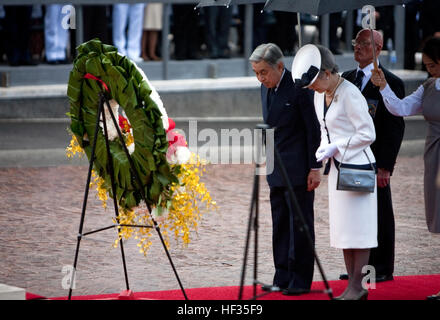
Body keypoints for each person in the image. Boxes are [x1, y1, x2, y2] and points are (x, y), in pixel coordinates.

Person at [292, 44, 377, 300]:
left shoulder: (350, 94)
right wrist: (322, 150)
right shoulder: (320, 95)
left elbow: (368, 133)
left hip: (358, 167)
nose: (313, 89)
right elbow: (323, 128)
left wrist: (336, 146)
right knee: (343, 229)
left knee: (359, 230)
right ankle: (352, 285)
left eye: (315, 83)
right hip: (338, 168)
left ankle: (359, 286)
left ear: (327, 73)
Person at [249, 43, 322, 296]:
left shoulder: (300, 89)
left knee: (299, 224)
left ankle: (300, 278)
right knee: (280, 223)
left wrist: (315, 167)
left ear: (280, 66)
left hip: (299, 169)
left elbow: (313, 129)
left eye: (263, 72)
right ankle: (282, 274)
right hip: (275, 169)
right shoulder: (264, 88)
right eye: (256, 72)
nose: (260, 77)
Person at [370, 36, 440, 300]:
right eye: (427, 66)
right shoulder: (429, 86)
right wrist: (385, 86)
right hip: (434, 155)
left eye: (432, 65)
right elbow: (400, 108)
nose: (428, 71)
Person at [339, 29, 405, 283]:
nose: (357, 48)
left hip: (376, 160)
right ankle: (360, 269)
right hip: (352, 157)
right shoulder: (346, 79)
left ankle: (382, 268)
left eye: (364, 44)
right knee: (356, 214)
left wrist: (386, 166)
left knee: (379, 214)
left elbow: (394, 128)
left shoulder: (390, 82)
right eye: (356, 43)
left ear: (378, 49)